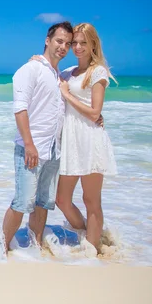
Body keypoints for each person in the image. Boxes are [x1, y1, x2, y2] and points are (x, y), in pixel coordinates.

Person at [2, 21, 73, 251]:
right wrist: (30, 145)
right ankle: (1, 249)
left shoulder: (59, 76)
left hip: (53, 149)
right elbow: (20, 108)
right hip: (31, 148)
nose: (63, 47)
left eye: (68, 44)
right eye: (59, 41)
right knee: (22, 202)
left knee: (43, 202)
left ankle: (36, 245)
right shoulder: (30, 69)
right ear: (47, 40)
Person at [55, 23, 117, 255]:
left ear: (93, 44)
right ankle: (88, 234)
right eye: (75, 43)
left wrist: (67, 94)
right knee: (62, 199)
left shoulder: (98, 72)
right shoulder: (68, 72)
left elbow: (94, 112)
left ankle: (92, 251)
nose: (78, 47)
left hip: (90, 139)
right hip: (70, 140)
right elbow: (48, 72)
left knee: (91, 200)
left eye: (83, 43)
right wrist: (36, 60)